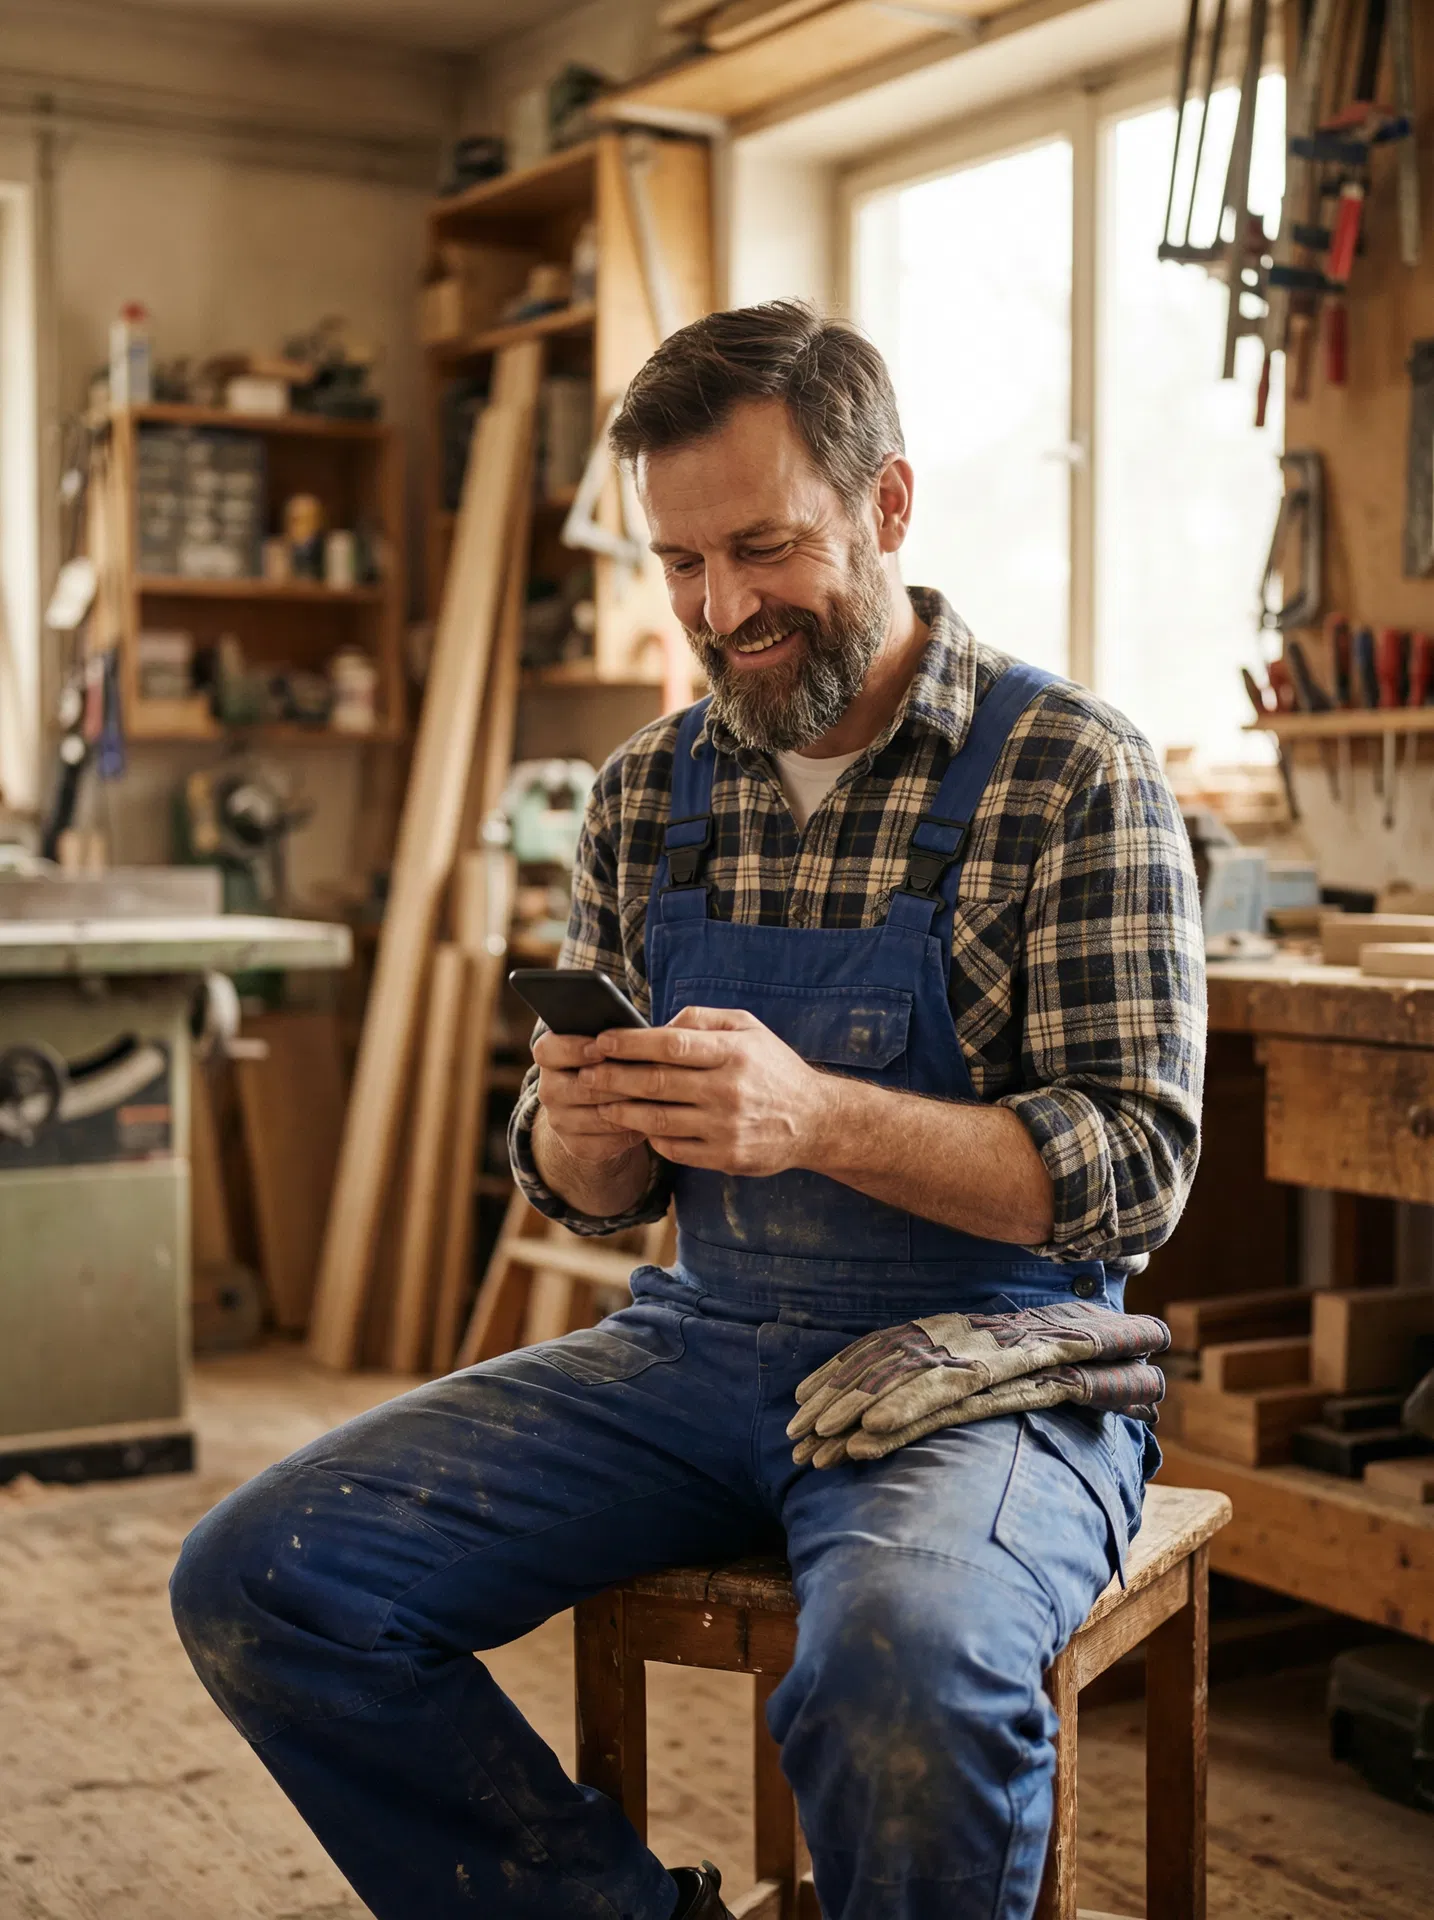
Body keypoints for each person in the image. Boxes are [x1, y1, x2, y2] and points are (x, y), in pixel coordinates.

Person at [171, 300, 1205, 1920]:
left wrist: (819, 1118)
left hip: (989, 1366)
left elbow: (1136, 1176)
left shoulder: (1069, 768)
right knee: (267, 1583)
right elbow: (593, 1191)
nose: (722, 610)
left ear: (888, 506)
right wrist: (577, 1142)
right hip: (703, 1343)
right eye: (680, 565)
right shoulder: (646, 790)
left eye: (764, 548)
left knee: (903, 1679)